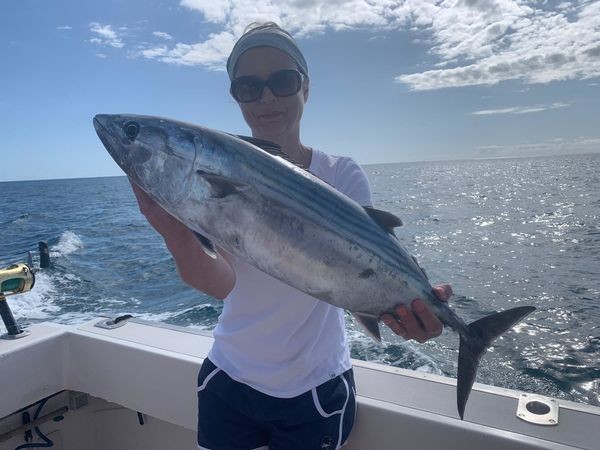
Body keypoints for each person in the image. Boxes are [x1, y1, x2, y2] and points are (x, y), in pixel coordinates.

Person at [130, 22, 452, 450]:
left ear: (306, 87)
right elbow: (221, 283)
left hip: (314, 389)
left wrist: (411, 305)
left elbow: (365, 266)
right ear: (235, 96)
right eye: (249, 86)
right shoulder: (211, 178)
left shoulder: (340, 174)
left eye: (282, 81)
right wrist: (169, 227)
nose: (267, 97)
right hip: (228, 377)